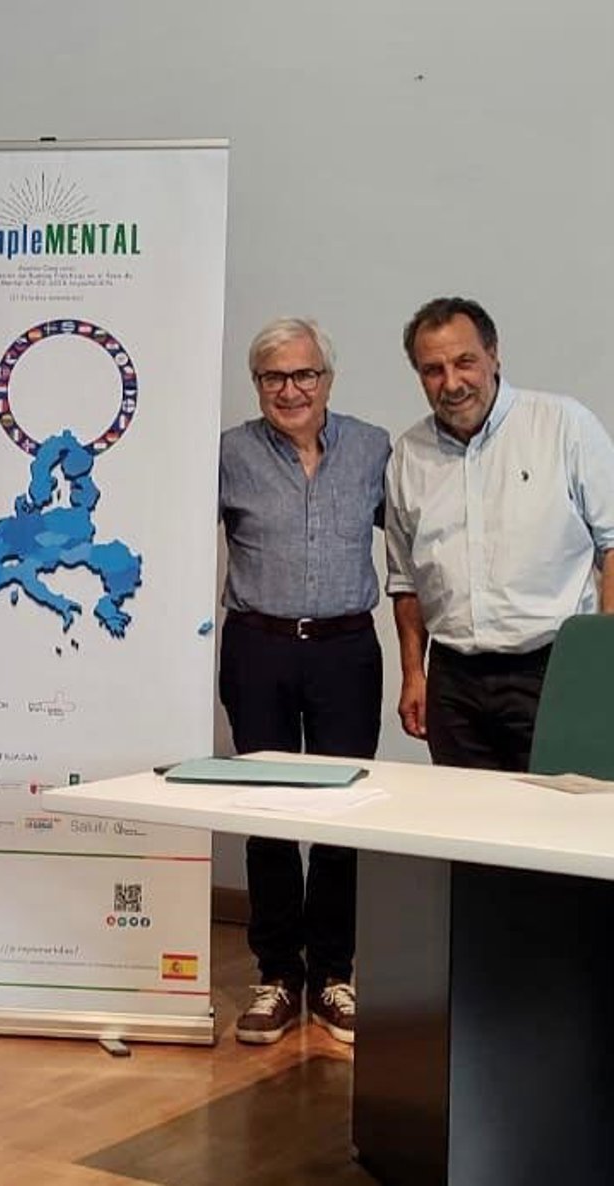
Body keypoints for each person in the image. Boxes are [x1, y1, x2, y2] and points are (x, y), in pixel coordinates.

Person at [219, 318, 389, 1046]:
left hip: (345, 650)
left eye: (304, 375)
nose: (290, 390)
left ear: (328, 379)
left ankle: (333, 975)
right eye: (273, 377)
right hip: (258, 647)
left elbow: (417, 544)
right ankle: (277, 975)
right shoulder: (228, 454)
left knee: (342, 814)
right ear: (256, 384)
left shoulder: (374, 448)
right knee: (269, 812)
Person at [387, 296, 614, 771]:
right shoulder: (409, 455)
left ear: (493, 355)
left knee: (561, 808)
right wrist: (412, 673)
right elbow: (406, 581)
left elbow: (612, 542)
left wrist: (603, 662)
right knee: (465, 814)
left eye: (464, 362)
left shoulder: (562, 425)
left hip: (556, 669)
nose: (452, 383)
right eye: (433, 370)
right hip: (454, 683)